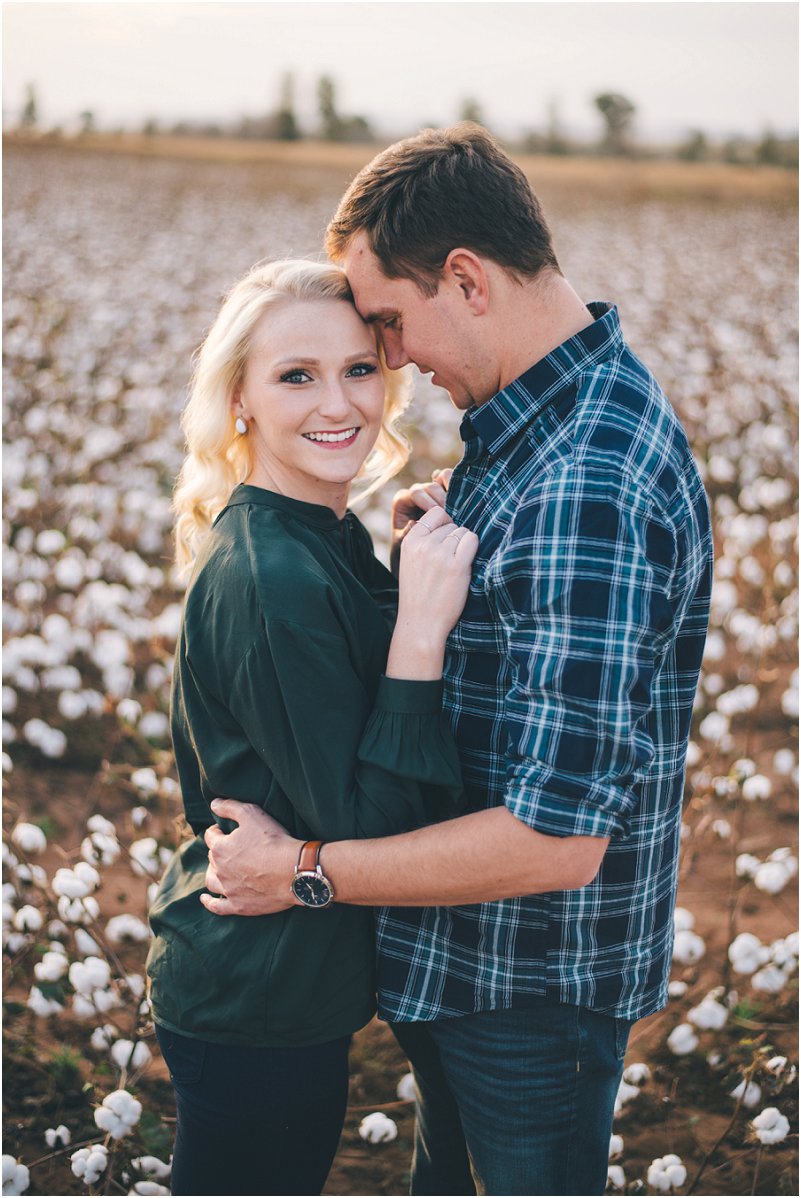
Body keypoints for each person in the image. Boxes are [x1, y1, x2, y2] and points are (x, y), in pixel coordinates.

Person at [202, 126, 714, 1196]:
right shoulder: (538, 422)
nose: (389, 362)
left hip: (522, 988)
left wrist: (301, 870)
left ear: (467, 281)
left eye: (387, 322)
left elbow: (557, 837)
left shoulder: (588, 481)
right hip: (477, 969)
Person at [145, 257, 478, 1197]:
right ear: (238, 399)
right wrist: (417, 628)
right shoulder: (274, 576)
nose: (338, 402)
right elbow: (368, 830)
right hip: (257, 991)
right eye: (296, 375)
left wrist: (403, 558)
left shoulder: (319, 535)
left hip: (282, 980)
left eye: (360, 369)